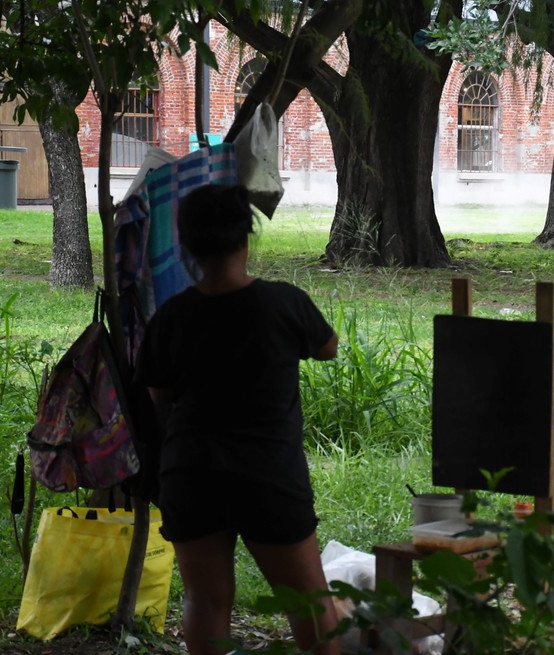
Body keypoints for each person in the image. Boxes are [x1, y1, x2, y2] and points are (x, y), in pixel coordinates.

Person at [138, 184, 340, 655]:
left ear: (186, 246)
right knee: (307, 599)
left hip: (191, 474)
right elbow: (327, 348)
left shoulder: (170, 317)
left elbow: (159, 394)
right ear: (247, 237)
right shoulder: (283, 303)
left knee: (205, 600)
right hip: (268, 475)